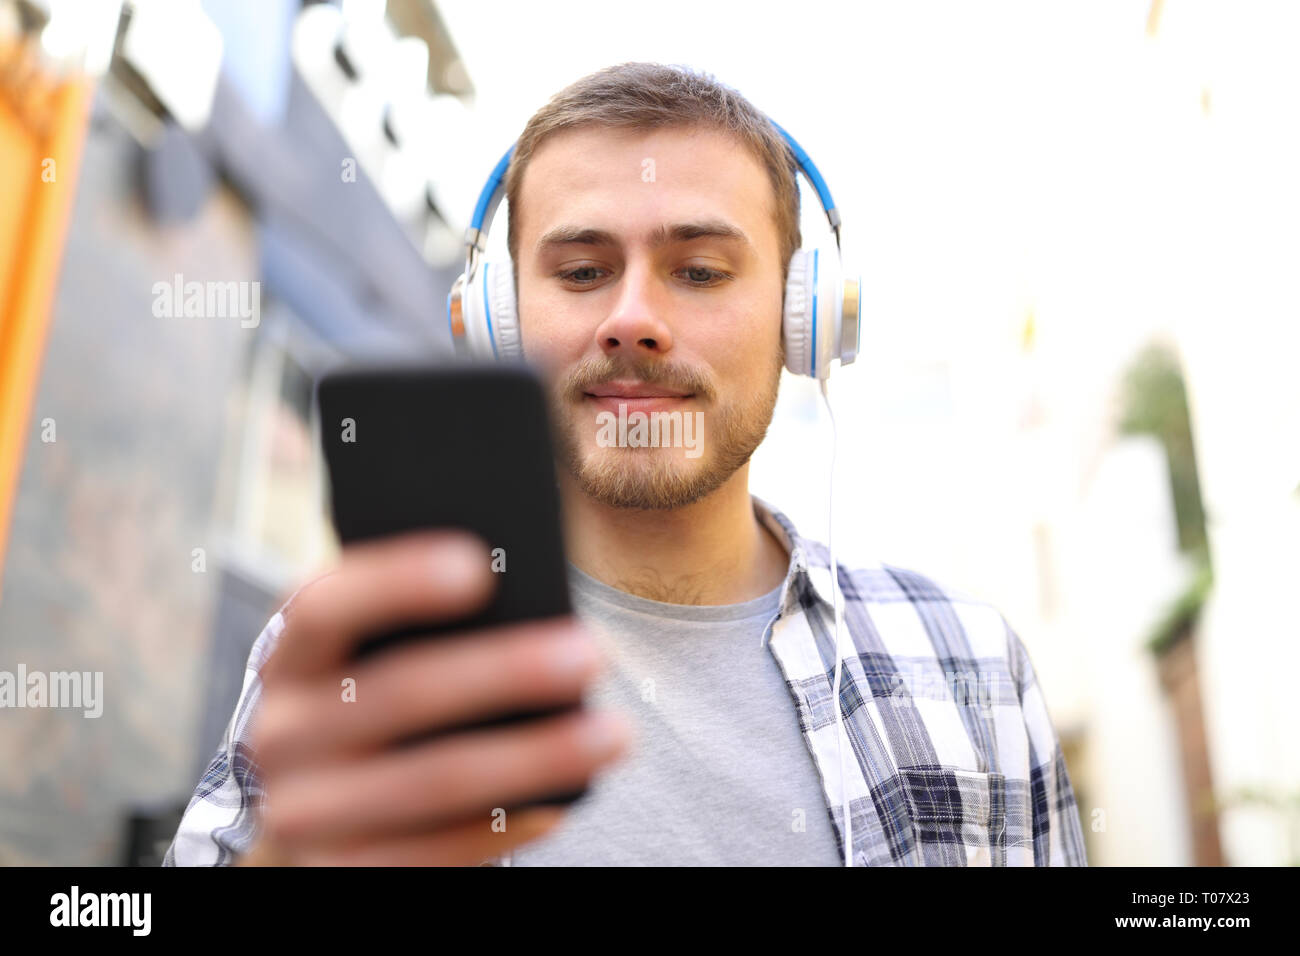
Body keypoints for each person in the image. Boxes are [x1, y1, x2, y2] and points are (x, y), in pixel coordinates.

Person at [164, 61, 1087, 867]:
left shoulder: (969, 665)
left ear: (803, 320)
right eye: (579, 272)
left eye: (699, 271)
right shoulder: (349, 651)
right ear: (493, 317)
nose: (632, 318)